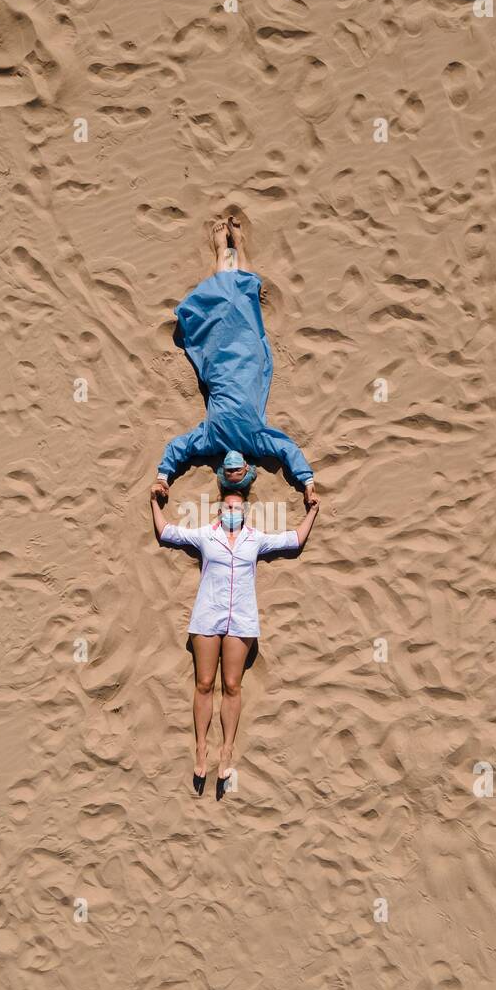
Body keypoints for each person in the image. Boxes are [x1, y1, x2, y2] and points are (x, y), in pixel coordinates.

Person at [150, 475, 319, 800]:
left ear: (244, 512)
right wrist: (154, 503)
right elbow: (167, 532)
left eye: (237, 507)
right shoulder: (206, 537)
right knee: (203, 683)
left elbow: (294, 540)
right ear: (219, 510)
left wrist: (312, 510)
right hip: (207, 617)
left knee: (231, 685)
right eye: (227, 506)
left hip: (241, 621)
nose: (232, 511)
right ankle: (202, 749)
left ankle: (226, 750)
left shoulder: (254, 539)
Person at [152, 218, 319, 510]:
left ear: (221, 471)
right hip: (248, 358)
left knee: (220, 308)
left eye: (227, 473)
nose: (232, 469)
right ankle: (237, 246)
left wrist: (163, 476)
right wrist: (307, 482)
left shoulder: (210, 441)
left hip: (219, 362)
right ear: (247, 468)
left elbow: (179, 448)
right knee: (242, 303)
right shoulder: (257, 441)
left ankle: (221, 254)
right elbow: (287, 450)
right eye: (237, 472)